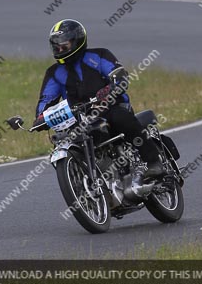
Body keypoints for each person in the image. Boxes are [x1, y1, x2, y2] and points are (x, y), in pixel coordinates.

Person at [33, 20, 166, 189]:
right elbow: (46, 99)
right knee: (68, 137)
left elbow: (119, 76)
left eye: (64, 46)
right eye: (56, 47)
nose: (60, 50)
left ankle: (153, 161)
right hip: (80, 118)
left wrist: (110, 89)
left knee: (120, 118)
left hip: (111, 107)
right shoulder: (54, 73)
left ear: (77, 41)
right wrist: (40, 117)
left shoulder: (99, 55)